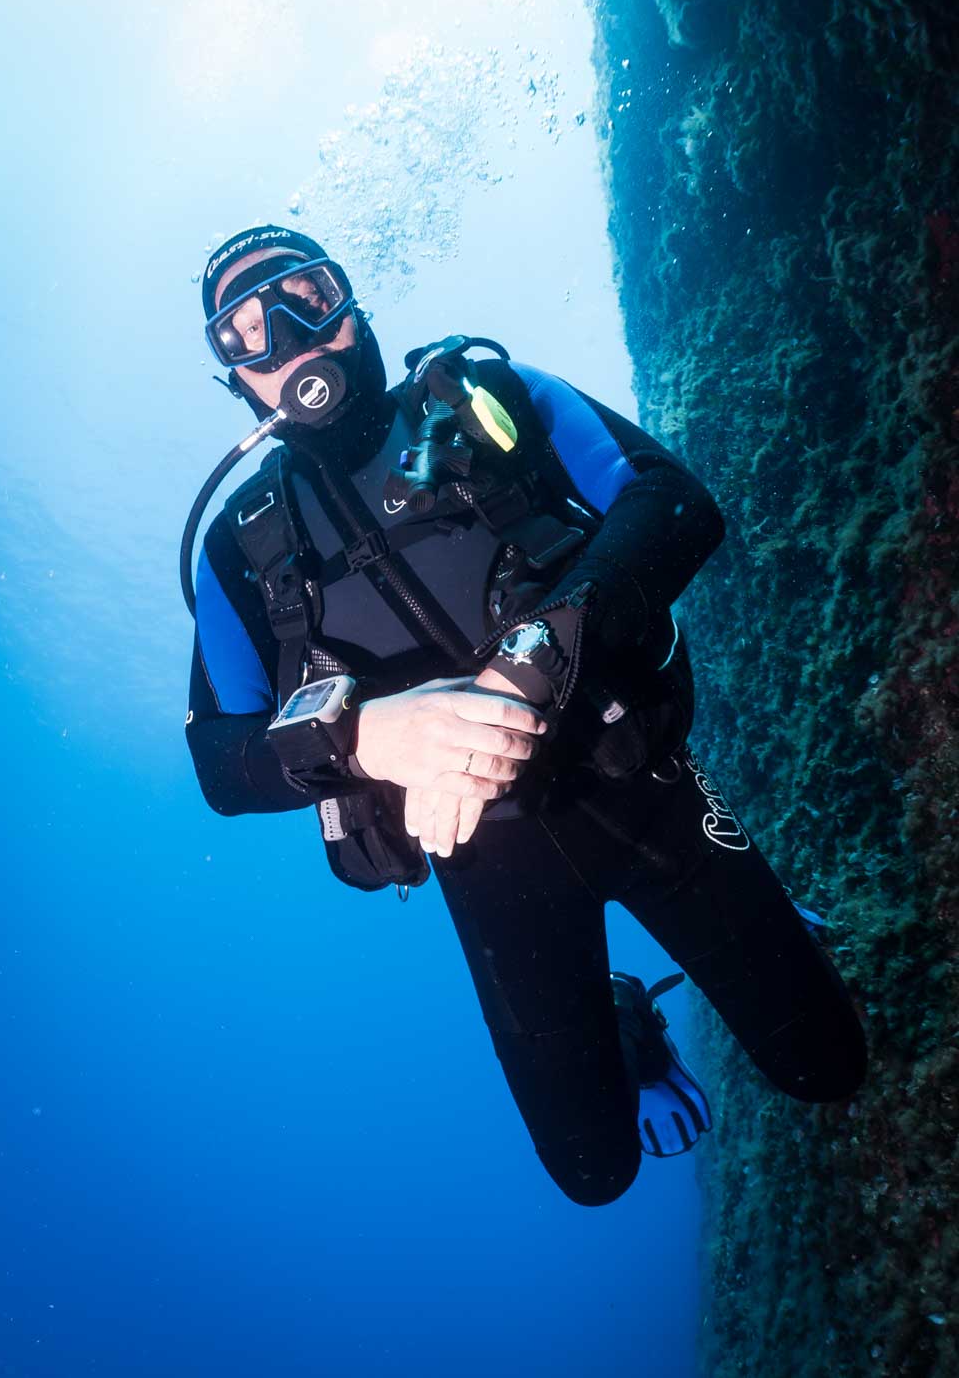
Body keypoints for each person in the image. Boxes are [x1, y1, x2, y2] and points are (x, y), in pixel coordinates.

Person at [184, 224, 867, 1206]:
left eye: (305, 298)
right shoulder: (238, 551)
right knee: (593, 1173)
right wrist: (364, 733)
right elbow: (219, 760)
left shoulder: (481, 398)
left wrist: (531, 659)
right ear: (233, 378)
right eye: (244, 333)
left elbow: (672, 501)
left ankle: (767, 921)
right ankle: (630, 1021)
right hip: (489, 869)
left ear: (351, 306)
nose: (286, 342)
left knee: (827, 1067)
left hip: (636, 783)